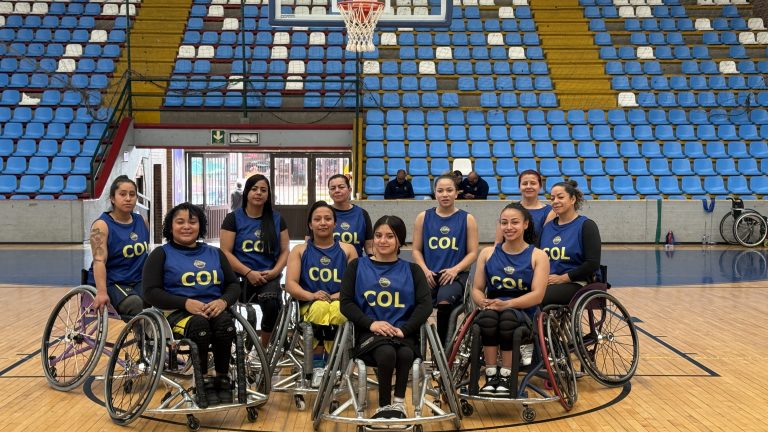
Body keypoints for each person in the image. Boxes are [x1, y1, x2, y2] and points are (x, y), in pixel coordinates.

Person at [143, 203, 241, 407]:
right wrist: (185, 303)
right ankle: (202, 380)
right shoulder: (161, 254)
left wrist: (223, 301)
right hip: (178, 314)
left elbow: (233, 285)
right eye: (180, 222)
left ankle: (221, 378)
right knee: (199, 326)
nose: (186, 226)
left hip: (214, 309)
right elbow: (150, 292)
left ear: (200, 226)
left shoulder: (215, 253)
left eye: (192, 222)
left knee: (225, 324)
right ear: (170, 227)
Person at [340, 215, 432, 420]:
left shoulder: (412, 269)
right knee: (387, 352)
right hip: (369, 335)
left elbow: (425, 305)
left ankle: (398, 405)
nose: (383, 240)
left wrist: (405, 329)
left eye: (390, 236)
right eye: (378, 235)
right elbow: (345, 303)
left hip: (402, 333)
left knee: (406, 354)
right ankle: (384, 406)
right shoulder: (357, 266)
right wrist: (371, 323)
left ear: (400, 240)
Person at [471, 203, 549, 396]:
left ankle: (506, 375)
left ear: (526, 224)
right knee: (487, 319)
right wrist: (482, 302)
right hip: (494, 308)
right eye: (504, 222)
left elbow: (537, 295)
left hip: (523, 311)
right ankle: (491, 375)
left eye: (514, 222)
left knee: (506, 319)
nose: (509, 227)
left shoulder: (538, 256)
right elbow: (477, 289)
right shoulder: (487, 253)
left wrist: (507, 304)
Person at [285, 201, 358, 387]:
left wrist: (335, 296)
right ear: (310, 224)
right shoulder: (299, 250)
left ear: (335, 223)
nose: (323, 223)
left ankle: (336, 366)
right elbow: (290, 284)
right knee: (319, 308)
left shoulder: (348, 250)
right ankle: (318, 366)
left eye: (327, 218)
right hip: (309, 303)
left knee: (340, 311)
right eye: (317, 219)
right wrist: (311, 296)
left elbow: (356, 284)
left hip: (339, 300)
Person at [220, 174, 290, 347]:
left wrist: (274, 272)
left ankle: (263, 347)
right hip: (239, 277)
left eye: (263, 190)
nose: (259, 193)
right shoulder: (233, 218)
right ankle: (230, 347)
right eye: (254, 189)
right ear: (246, 193)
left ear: (268, 195)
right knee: (222, 308)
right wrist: (248, 272)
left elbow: (285, 251)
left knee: (272, 303)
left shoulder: (277, 219)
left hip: (268, 276)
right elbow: (225, 253)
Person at [412, 174, 479, 347]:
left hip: (454, 276)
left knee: (444, 300)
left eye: (449, 190)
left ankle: (442, 351)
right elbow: (416, 250)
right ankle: (413, 345)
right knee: (409, 298)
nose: (445, 194)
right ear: (435, 193)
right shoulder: (423, 217)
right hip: (428, 274)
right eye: (440, 190)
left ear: (457, 193)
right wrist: (425, 270)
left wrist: (455, 269)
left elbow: (473, 253)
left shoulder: (467, 219)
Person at [86, 175, 148, 319]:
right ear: (112, 198)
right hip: (112, 282)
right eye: (122, 194)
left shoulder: (142, 221)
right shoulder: (101, 225)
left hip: (137, 280)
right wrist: (101, 292)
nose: (128, 198)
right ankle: (146, 339)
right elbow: (99, 261)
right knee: (135, 303)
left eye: (132, 194)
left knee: (163, 298)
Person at [539, 180, 602, 306]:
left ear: (573, 199)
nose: (555, 201)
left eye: (560, 197)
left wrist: (562, 278)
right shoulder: (547, 227)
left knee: (538, 297)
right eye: (552, 198)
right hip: (548, 282)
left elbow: (592, 264)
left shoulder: (586, 225)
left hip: (577, 283)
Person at [494, 169, 555, 245]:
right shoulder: (510, 209)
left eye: (533, 183)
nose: (528, 186)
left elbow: (547, 242)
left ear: (540, 186)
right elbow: (498, 242)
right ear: (519, 187)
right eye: (525, 183)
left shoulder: (550, 211)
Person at [327, 173, 373, 256]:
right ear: (329, 192)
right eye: (333, 188)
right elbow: (308, 244)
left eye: (341, 187)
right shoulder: (322, 213)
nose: (337, 190)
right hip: (327, 266)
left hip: (355, 266)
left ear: (350, 190)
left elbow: (369, 247)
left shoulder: (362, 214)